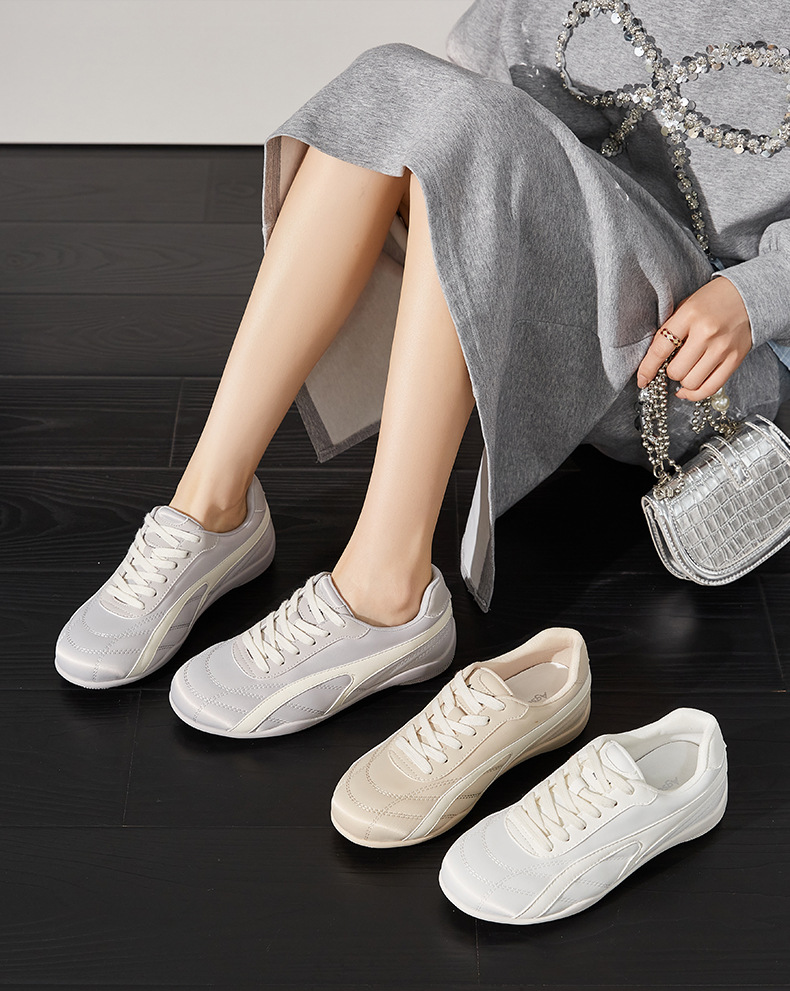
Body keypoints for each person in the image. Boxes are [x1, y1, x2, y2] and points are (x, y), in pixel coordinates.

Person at [55, 0, 790, 743]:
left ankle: (386, 595)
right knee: (390, 84)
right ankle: (210, 509)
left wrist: (752, 298)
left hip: (700, 369)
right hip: (575, 294)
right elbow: (472, 76)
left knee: (468, 137)